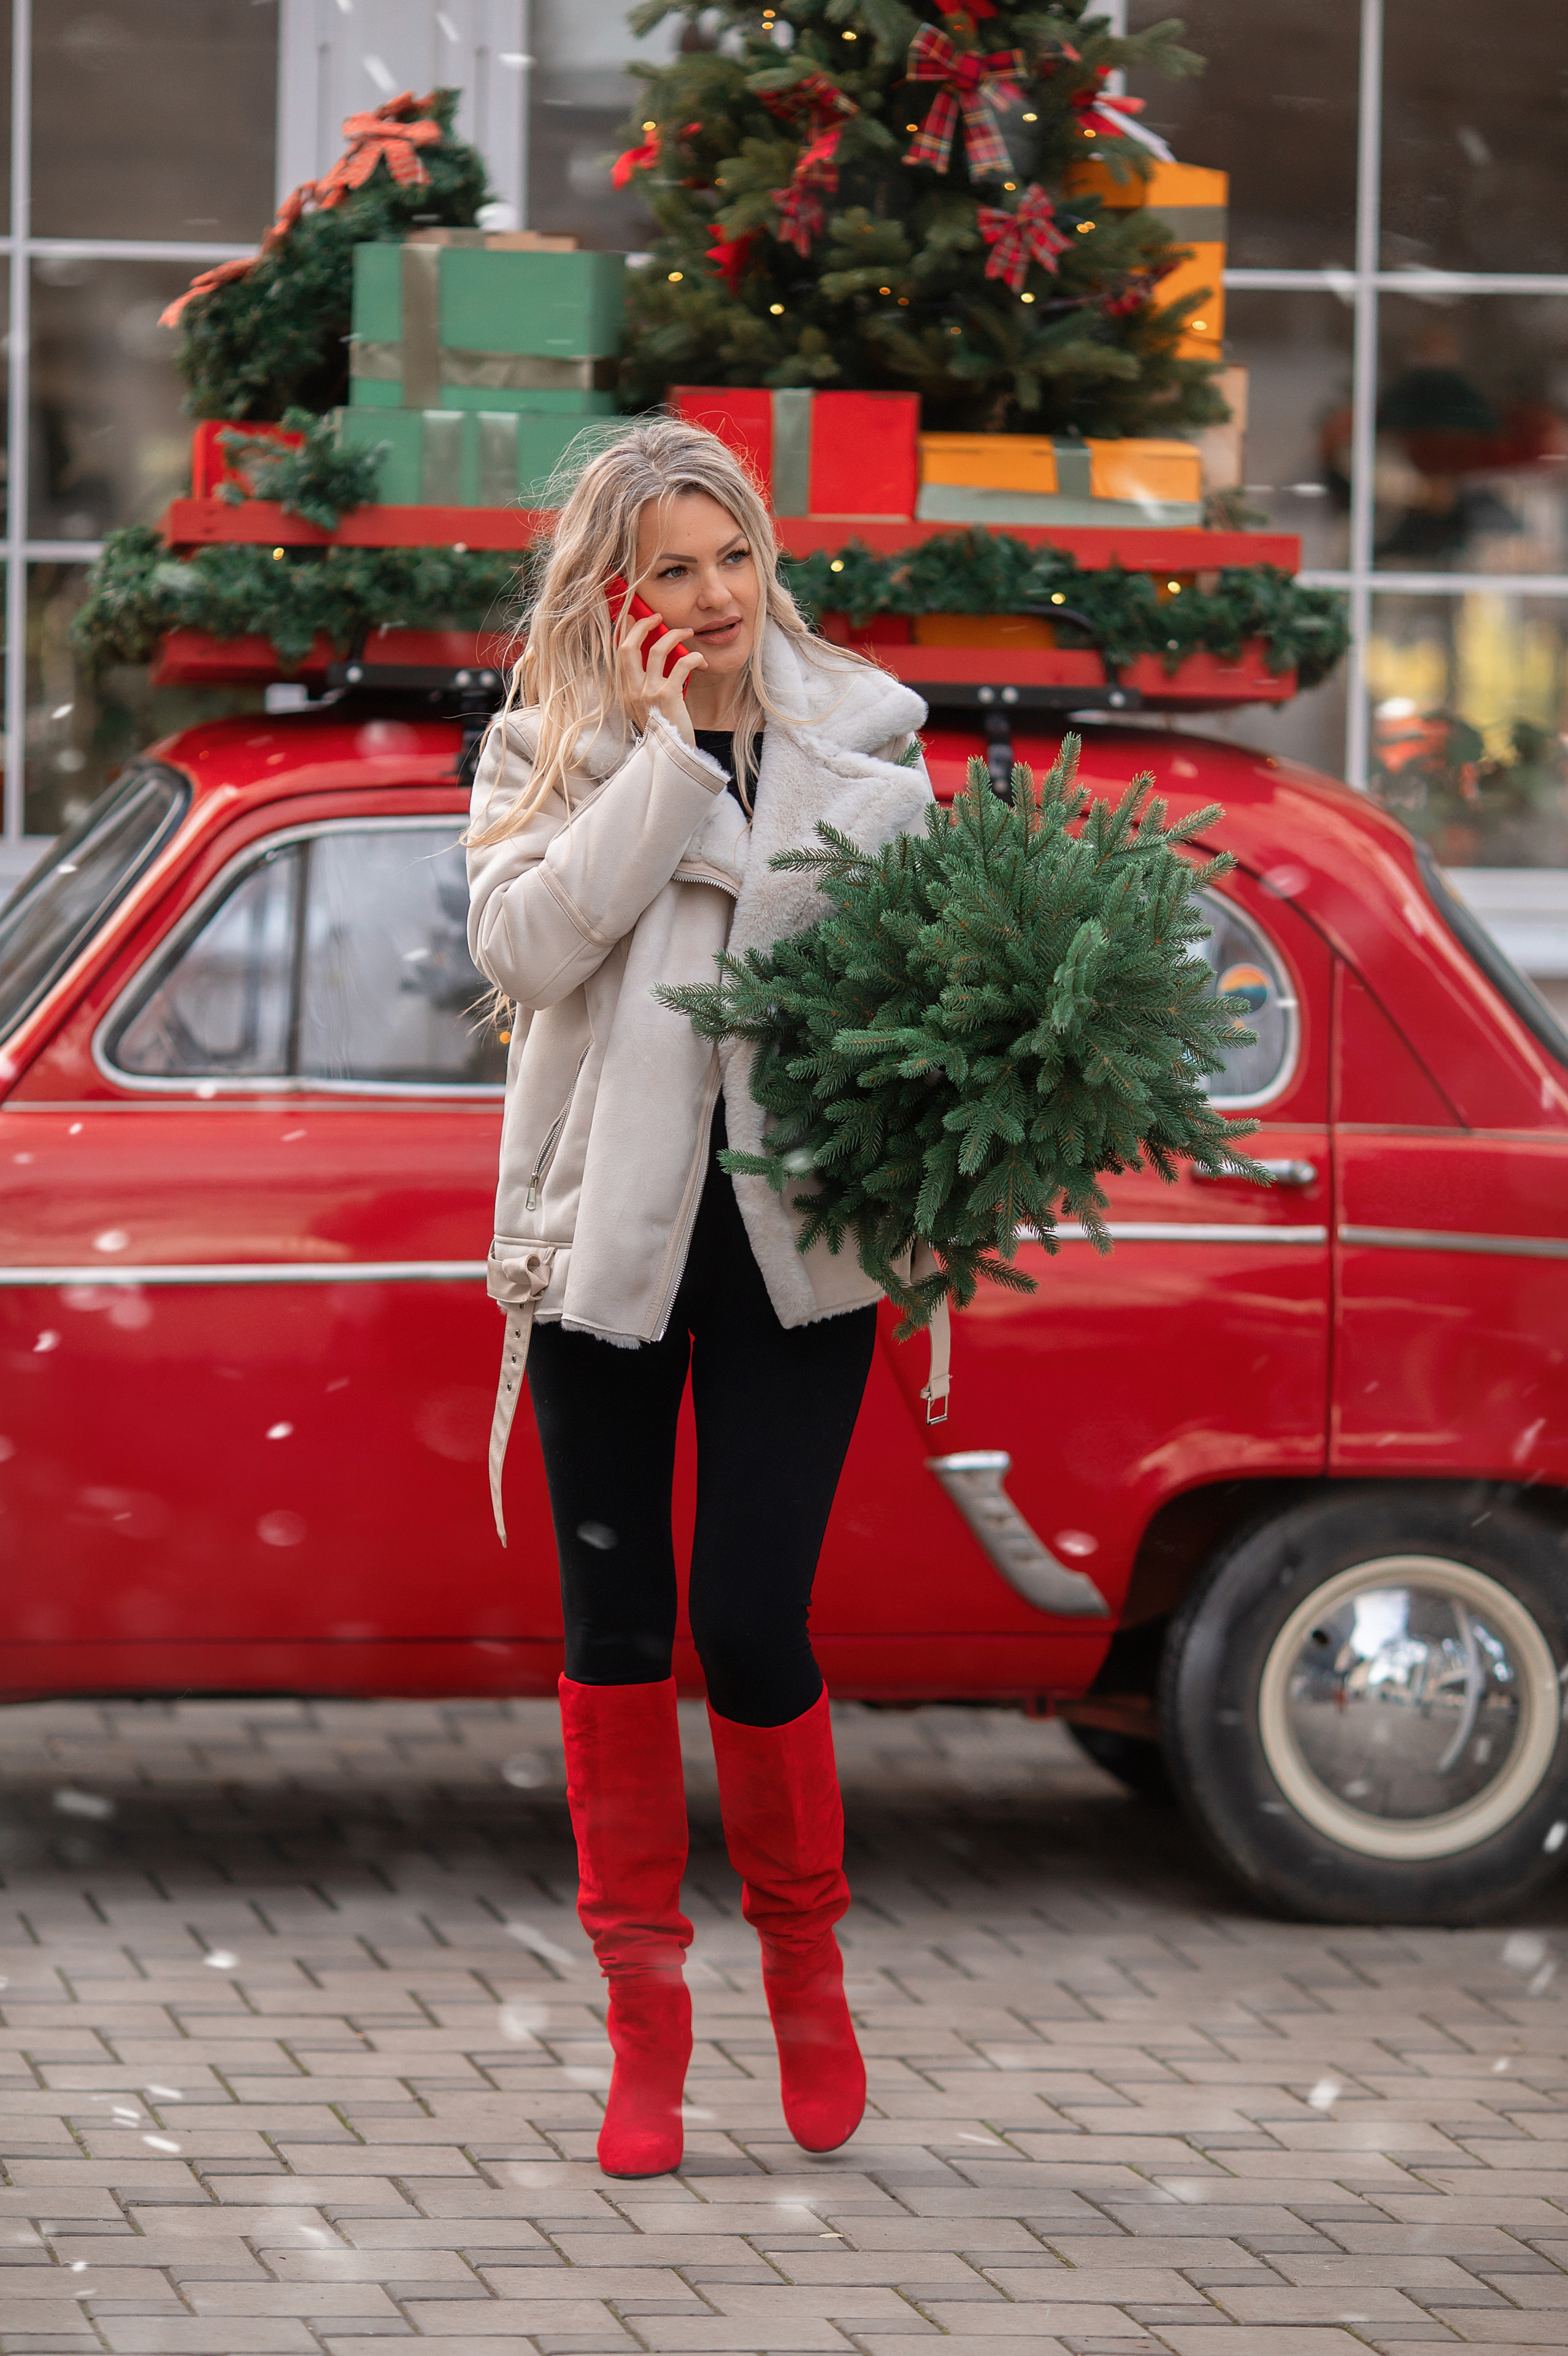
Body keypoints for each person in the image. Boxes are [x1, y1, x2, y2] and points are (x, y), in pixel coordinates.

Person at [465, 418, 931, 2179]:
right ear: (617, 589)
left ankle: (806, 1969)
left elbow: (912, 969)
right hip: (607, 1252)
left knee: (749, 1617)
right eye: (673, 568)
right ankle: (644, 2028)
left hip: (795, 1259)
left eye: (732, 554)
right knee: (613, 1634)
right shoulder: (551, 744)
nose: (716, 594)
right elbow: (524, 953)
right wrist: (663, 766)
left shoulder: (867, 736)